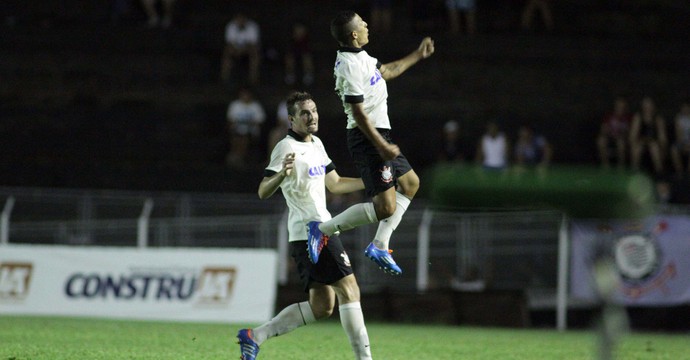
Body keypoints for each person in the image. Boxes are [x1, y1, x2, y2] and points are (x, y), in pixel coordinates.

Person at [236, 91, 372, 360]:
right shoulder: (286, 147)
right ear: (291, 120)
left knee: (322, 307)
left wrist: (373, 183)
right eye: (305, 113)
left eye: (314, 111)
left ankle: (255, 336)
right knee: (350, 289)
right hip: (314, 231)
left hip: (313, 232)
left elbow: (335, 183)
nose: (312, 117)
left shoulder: (317, 144)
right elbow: (263, 190)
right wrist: (281, 176)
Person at [304, 11, 435, 276]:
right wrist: (381, 146)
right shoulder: (348, 65)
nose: (366, 25)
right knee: (385, 206)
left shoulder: (362, 58)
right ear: (353, 34)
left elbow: (386, 71)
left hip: (379, 136)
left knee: (410, 184)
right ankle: (323, 229)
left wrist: (417, 55)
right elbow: (358, 113)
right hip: (368, 138)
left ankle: (380, 244)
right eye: (362, 23)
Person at [226, 87, 265, 167]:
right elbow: (230, 120)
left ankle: (240, 159)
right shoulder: (235, 105)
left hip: (251, 132)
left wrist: (246, 124)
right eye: (243, 94)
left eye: (247, 94)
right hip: (237, 131)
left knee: (244, 139)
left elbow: (260, 121)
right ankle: (235, 158)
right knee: (237, 138)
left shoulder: (256, 106)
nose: (245, 96)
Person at [629, 96, 667, 175]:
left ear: (653, 107)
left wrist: (662, 144)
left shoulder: (658, 118)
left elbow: (662, 135)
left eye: (649, 105)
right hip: (641, 142)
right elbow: (633, 135)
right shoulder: (638, 117)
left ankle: (659, 172)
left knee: (654, 148)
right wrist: (635, 141)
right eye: (645, 105)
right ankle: (634, 171)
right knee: (638, 147)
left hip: (654, 143)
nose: (647, 108)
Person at [221, 12, 261, 86]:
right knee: (227, 54)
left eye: (241, 19)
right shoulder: (231, 26)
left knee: (255, 54)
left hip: (248, 50)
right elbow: (230, 43)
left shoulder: (253, 26)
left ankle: (253, 79)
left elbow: (252, 44)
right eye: (238, 19)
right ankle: (224, 79)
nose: (240, 21)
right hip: (235, 49)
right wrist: (236, 51)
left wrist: (242, 50)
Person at [596, 96, 632, 168]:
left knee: (620, 143)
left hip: (622, 139)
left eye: (622, 106)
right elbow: (603, 129)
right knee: (601, 141)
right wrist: (607, 131)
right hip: (610, 137)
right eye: (618, 106)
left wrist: (622, 133)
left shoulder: (628, 117)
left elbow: (630, 131)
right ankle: (605, 164)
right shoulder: (609, 116)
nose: (619, 108)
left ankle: (621, 165)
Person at [284, 21, 315, 86]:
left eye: (301, 30)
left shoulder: (308, 41)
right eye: (297, 30)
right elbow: (289, 52)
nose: (299, 32)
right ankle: (290, 76)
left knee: (307, 58)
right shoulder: (290, 42)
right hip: (294, 51)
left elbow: (308, 52)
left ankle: (308, 76)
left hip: (304, 52)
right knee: (289, 58)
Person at [670, 100, 690, 177]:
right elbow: (678, 134)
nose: (685, 109)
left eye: (687, 107)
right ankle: (679, 172)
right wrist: (684, 144)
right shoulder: (679, 118)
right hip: (682, 142)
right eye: (683, 108)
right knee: (673, 149)